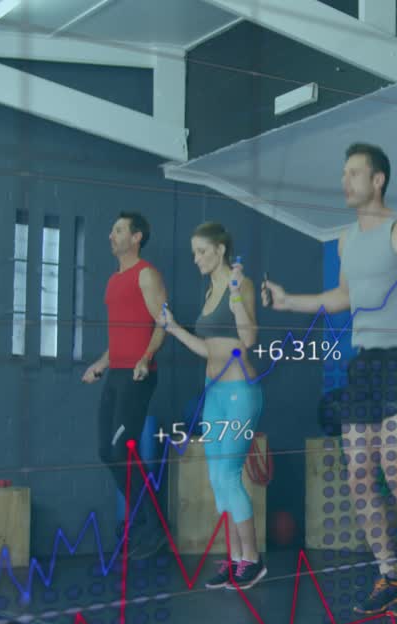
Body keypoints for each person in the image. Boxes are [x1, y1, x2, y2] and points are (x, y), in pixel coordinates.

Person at [261, 142, 397, 617]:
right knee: (358, 475)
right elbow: (342, 297)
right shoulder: (345, 241)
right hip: (365, 365)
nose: (345, 181)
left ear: (378, 180)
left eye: (354, 173)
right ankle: (390, 574)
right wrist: (287, 301)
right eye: (344, 173)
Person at [160, 222, 267, 590]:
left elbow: (248, 338)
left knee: (228, 475)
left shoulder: (242, 285)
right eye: (194, 253)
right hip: (214, 393)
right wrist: (174, 328)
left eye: (202, 251)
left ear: (220, 250)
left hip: (239, 392)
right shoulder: (208, 292)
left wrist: (235, 296)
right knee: (217, 478)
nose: (196, 259)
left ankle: (252, 560)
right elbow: (208, 349)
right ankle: (235, 560)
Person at [83, 211, 169, 558]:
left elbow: (163, 323)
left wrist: (146, 358)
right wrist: (100, 364)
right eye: (112, 230)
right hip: (116, 373)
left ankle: (154, 528)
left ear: (136, 237)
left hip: (138, 375)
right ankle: (147, 523)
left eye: (118, 230)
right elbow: (118, 336)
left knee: (122, 452)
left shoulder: (146, 274)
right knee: (107, 452)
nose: (111, 235)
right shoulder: (113, 281)